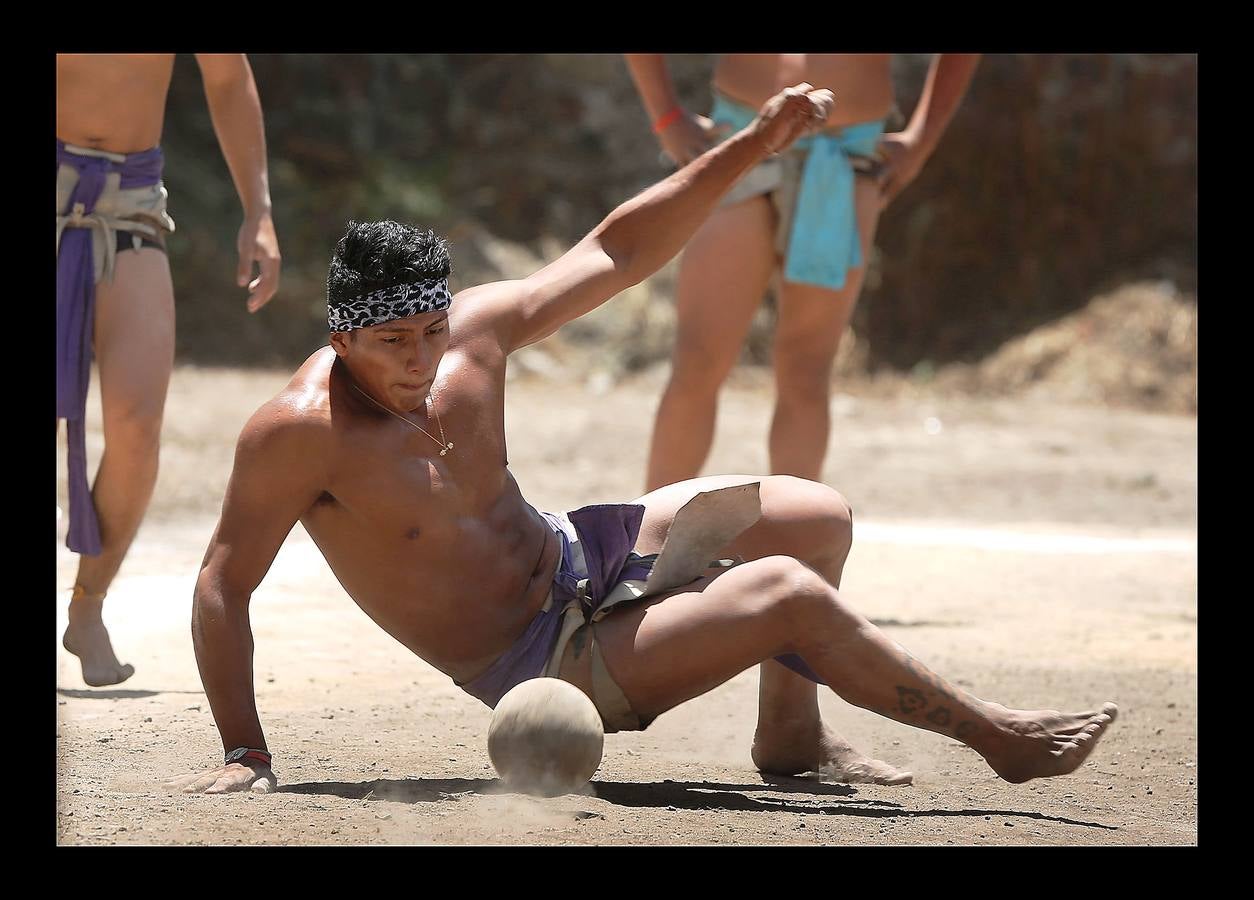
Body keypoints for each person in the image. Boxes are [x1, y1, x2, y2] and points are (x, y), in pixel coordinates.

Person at [163, 85, 1114, 796]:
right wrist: (245, 749)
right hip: (543, 659)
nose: (420, 361)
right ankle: (999, 739)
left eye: (432, 333)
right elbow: (221, 584)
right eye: (392, 344)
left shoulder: (474, 338)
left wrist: (752, 146)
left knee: (818, 518)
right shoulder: (298, 436)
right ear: (341, 341)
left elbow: (615, 251)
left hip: (585, 552)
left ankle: (792, 736)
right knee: (784, 592)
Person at [625, 54, 980, 490]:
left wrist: (923, 137)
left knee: (806, 372)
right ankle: (649, 530)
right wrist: (666, 116)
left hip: (845, 156)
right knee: (697, 361)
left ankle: (794, 531)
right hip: (740, 138)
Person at [56, 54, 282, 686]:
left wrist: (258, 210)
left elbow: (228, 79)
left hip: (130, 200)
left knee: (136, 426)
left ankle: (88, 605)